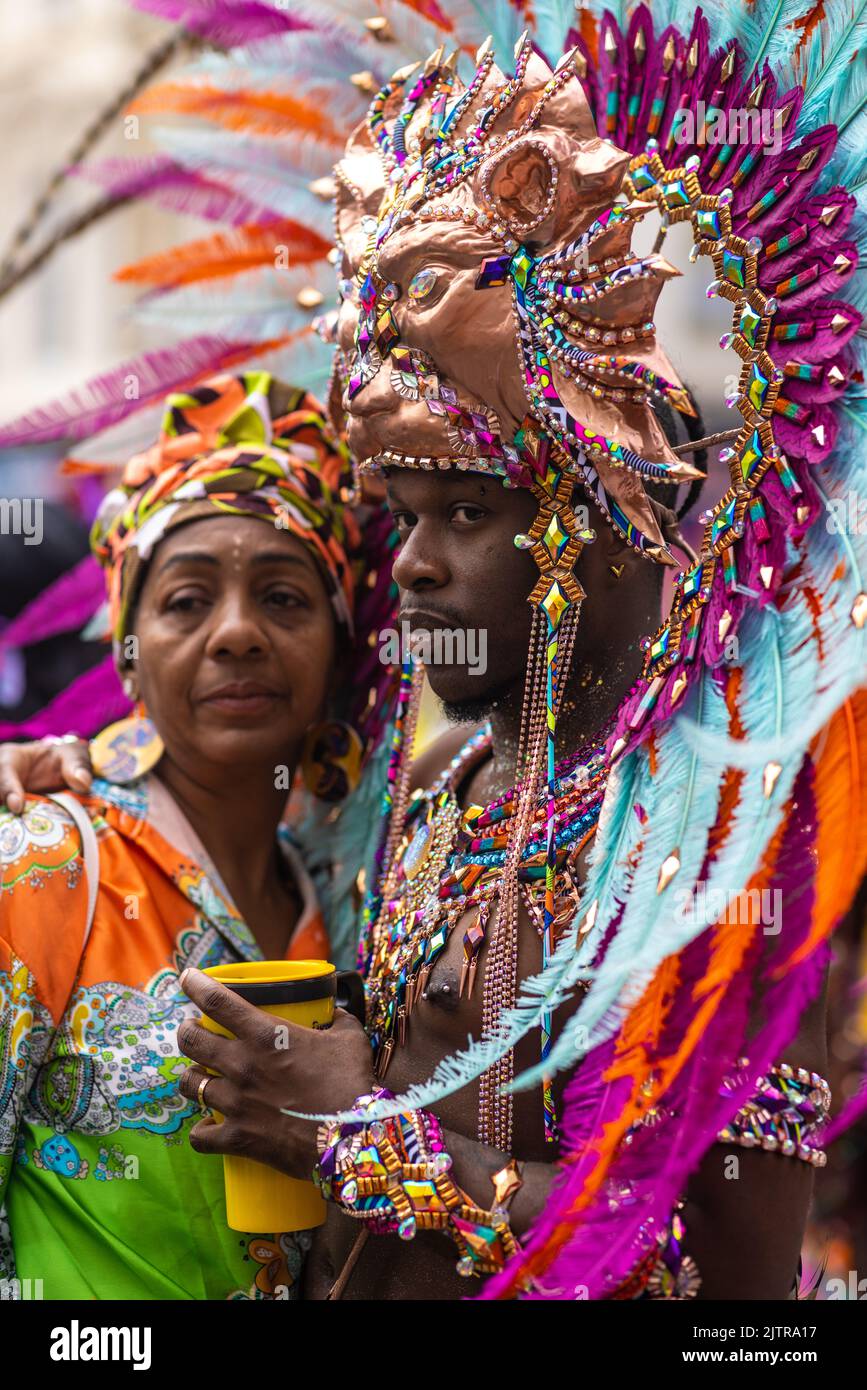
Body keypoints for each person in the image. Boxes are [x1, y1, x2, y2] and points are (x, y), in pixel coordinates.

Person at [5, 18, 867, 1303]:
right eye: (399, 514)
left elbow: (733, 1307)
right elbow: (236, 757)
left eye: (463, 512)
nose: (408, 565)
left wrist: (358, 1125)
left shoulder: (722, 840)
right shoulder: (446, 783)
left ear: (586, 509)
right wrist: (83, 767)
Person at [0, 369, 392, 1300]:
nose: (236, 634)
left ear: (338, 650)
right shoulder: (44, 866)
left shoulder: (354, 908)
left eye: (286, 599)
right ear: (128, 655)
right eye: (183, 601)